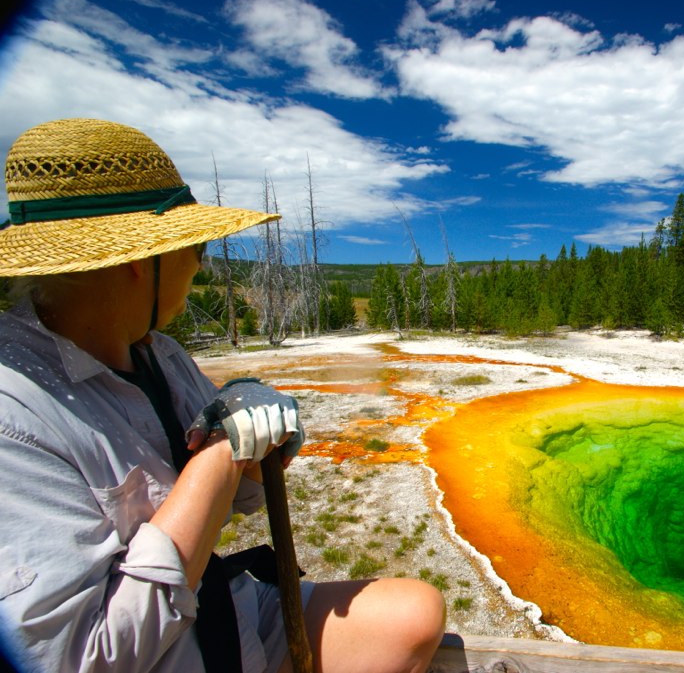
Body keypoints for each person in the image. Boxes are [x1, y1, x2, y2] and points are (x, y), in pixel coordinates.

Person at [0, 118, 445, 672]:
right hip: (167, 654)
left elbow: (242, 500)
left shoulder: (158, 355)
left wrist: (257, 437)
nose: (202, 264)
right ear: (143, 261)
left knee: (414, 612)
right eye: (198, 246)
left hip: (221, 612)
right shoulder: (12, 415)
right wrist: (220, 453)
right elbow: (85, 657)